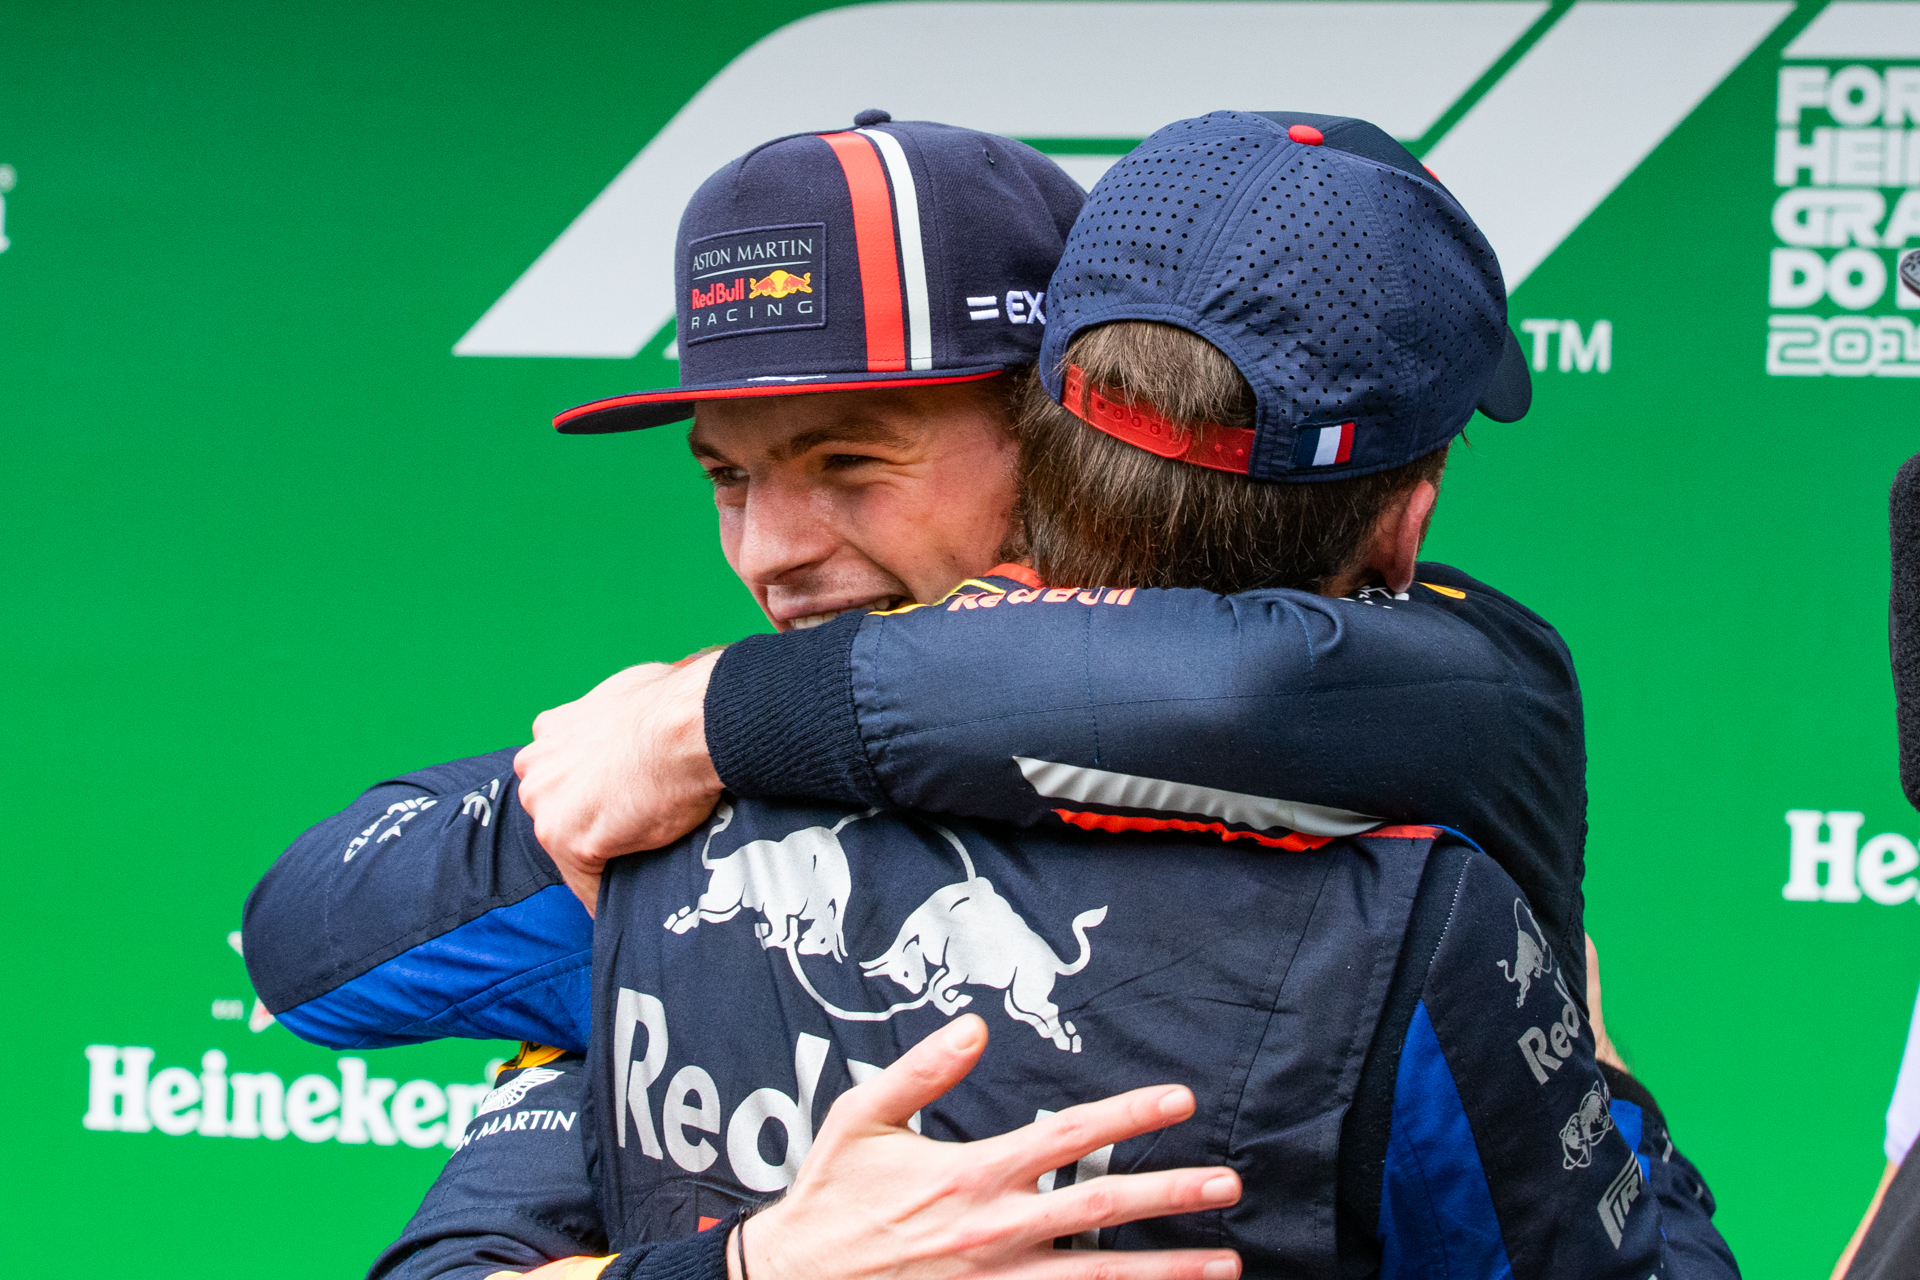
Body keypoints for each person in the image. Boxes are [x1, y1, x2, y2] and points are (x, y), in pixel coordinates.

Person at [246, 111, 1727, 1277]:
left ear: (1064, 416)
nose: (769, 553)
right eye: (727, 480)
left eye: (852, 461)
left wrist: (712, 719)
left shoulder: (1425, 726)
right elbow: (306, 948)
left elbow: (1257, 684)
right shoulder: (661, 806)